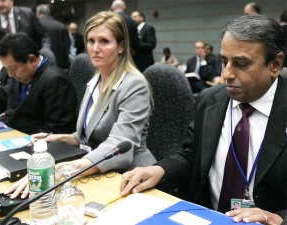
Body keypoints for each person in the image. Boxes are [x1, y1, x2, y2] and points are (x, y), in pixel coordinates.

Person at [121, 15, 286, 225]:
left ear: (275, 65)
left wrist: (281, 217)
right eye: (224, 61)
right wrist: (159, 170)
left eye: (241, 64)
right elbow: (193, 156)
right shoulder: (210, 100)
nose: (226, 74)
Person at [5, 11, 157, 199]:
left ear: (121, 46)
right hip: (98, 169)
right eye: (91, 41)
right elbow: (87, 135)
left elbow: (119, 144)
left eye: (104, 41)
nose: (95, 48)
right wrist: (59, 138)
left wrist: (63, 170)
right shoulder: (94, 81)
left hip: (131, 175)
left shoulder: (134, 85)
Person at [0, 33, 77, 134]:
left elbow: (57, 130)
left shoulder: (56, 81)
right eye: (7, 69)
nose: (10, 74)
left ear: (32, 60)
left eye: (12, 69)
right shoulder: (20, 75)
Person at [36, 4, 70, 70]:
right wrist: (65, 65)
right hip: (59, 66)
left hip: (39, 66)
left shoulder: (34, 26)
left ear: (38, 13)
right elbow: (66, 47)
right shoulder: (61, 26)